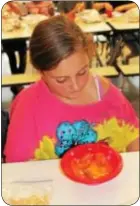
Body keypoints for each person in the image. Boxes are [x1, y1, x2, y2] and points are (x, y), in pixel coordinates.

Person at [4, 16, 139, 163]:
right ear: (41, 72)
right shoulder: (28, 106)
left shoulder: (105, 93)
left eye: (82, 72)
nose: (75, 86)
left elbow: (134, 136)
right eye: (61, 80)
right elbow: (16, 168)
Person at [2, 1, 27, 96]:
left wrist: (13, 5)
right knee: (11, 58)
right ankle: (17, 83)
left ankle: (18, 83)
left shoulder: (17, 3)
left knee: (23, 56)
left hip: (19, 32)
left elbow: (23, 14)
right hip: (6, 34)